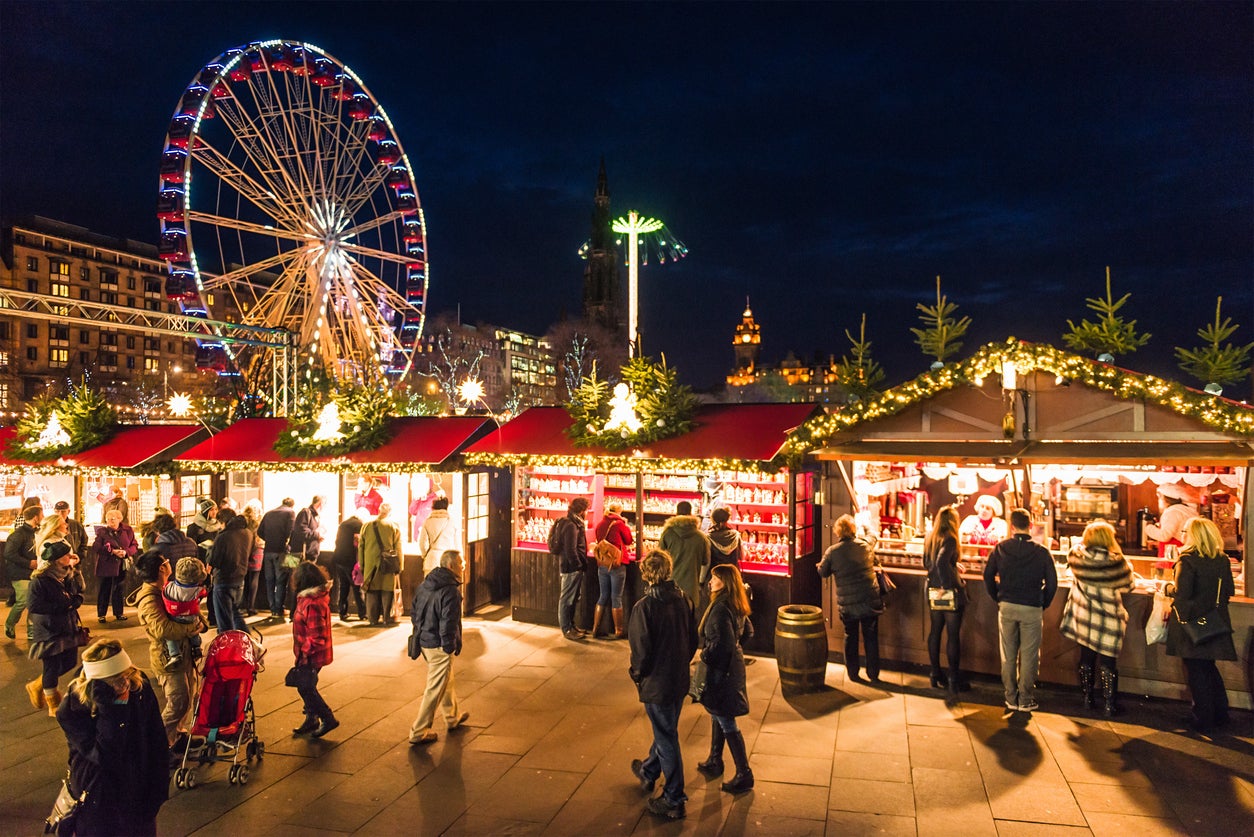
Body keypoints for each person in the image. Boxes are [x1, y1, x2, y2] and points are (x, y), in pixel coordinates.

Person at [56, 639, 169, 836]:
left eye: (126, 675)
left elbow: (156, 739)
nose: (124, 684)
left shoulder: (137, 687)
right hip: (98, 797)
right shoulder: (72, 710)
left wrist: (158, 790)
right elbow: (104, 755)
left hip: (138, 793)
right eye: (116, 680)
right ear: (97, 684)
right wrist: (110, 710)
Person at [628, 548, 698, 821]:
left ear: (646, 573)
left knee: (667, 737)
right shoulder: (684, 600)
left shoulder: (644, 607)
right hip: (678, 678)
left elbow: (641, 651)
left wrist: (637, 674)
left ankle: (674, 798)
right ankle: (648, 771)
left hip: (657, 681)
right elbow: (693, 640)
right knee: (666, 728)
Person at [129, 550, 207, 747]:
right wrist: (192, 629)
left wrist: (201, 624)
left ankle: (177, 736)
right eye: (167, 561)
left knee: (188, 699)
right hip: (168, 658)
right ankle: (158, 747)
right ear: (162, 567)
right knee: (177, 703)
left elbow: (191, 609)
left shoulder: (168, 588)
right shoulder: (149, 598)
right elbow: (162, 629)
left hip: (183, 652)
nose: (170, 564)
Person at [983, 508, 1058, 713]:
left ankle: (1010, 697)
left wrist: (997, 596)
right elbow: (1053, 583)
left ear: (1012, 526)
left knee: (1008, 654)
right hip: (1031, 607)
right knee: (1029, 655)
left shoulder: (1000, 548)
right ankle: (1025, 699)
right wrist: (1043, 602)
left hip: (1006, 605)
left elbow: (988, 576)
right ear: (1031, 526)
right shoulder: (1042, 552)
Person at [1166, 517, 1237, 733]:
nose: (1182, 534)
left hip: (1192, 625)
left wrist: (1168, 588)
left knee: (1196, 670)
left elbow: (1182, 595)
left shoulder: (1187, 560)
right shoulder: (1222, 559)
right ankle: (1220, 713)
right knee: (1209, 667)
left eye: (1185, 530)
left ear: (1194, 535)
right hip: (1214, 621)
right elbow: (1228, 591)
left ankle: (1203, 718)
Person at [1059, 520, 1134, 716]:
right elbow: (1129, 585)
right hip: (1109, 619)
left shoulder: (1076, 556)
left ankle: (1087, 698)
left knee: (1086, 658)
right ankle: (1109, 704)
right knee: (1108, 663)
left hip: (1085, 617)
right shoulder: (1117, 562)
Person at [695, 563, 754, 794]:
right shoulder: (736, 602)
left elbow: (723, 644)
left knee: (725, 718)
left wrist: (706, 654)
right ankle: (714, 758)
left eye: (715, 578)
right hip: (732, 665)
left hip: (722, 670)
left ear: (725, 582)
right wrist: (738, 649)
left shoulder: (720, 608)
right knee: (717, 712)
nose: (710, 582)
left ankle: (744, 773)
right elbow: (748, 632)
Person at [408, 549, 470, 745]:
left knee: (446, 680)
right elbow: (448, 623)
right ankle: (418, 731)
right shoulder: (450, 591)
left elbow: (414, 611)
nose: (464, 566)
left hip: (425, 640)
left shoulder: (426, 584)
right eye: (461, 563)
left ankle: (452, 717)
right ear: (451, 566)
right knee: (434, 688)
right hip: (438, 644)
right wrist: (449, 646)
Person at [817, 514, 883, 683]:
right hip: (869, 600)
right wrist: (865, 523)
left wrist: (820, 565)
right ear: (854, 530)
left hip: (848, 605)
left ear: (837, 532)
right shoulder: (865, 545)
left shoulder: (832, 552)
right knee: (871, 636)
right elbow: (874, 534)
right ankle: (873, 673)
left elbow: (823, 572)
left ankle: (853, 673)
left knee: (850, 636)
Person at [25, 541, 85, 716]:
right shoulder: (40, 580)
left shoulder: (67, 575)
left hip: (67, 626)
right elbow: (34, 606)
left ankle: (38, 684)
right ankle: (53, 704)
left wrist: (76, 598)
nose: (71, 557)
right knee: (51, 666)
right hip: (49, 629)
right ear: (57, 559)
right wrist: (63, 607)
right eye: (67, 555)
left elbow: (78, 592)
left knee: (69, 662)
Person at [290, 561, 339, 738]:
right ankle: (311, 718)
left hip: (311, 654)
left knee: (305, 687)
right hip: (309, 652)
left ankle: (327, 717)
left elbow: (317, 636)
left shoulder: (311, 603)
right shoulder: (309, 599)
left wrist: (304, 652)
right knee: (307, 684)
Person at [924, 505, 966, 693]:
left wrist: (953, 564)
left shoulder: (930, 536)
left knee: (935, 631)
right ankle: (953, 679)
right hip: (945, 591)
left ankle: (934, 673)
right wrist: (947, 585)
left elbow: (928, 562)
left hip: (931, 589)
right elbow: (941, 562)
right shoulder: (950, 538)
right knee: (953, 634)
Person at [592, 500, 634, 639]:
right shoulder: (620, 524)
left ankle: (595, 629)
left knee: (603, 595)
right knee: (616, 597)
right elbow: (628, 540)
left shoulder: (600, 524)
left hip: (603, 563)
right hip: (616, 564)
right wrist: (626, 526)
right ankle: (619, 631)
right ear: (618, 512)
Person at [658, 500, 710, 604]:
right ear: (691, 513)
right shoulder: (701, 537)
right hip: (691, 590)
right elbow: (705, 561)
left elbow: (659, 557)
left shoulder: (668, 534)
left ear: (676, 513)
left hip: (670, 586)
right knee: (689, 618)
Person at [552, 497, 590, 640]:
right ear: (581, 511)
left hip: (573, 567)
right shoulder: (571, 525)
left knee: (572, 598)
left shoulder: (573, 523)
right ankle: (567, 629)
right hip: (571, 568)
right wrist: (578, 565)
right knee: (567, 598)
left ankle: (571, 626)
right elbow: (570, 549)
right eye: (585, 510)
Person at [161, 557, 207, 671]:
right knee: (195, 629)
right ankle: (197, 647)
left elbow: (164, 592)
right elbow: (204, 594)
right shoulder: (198, 590)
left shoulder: (169, 587)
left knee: (170, 637)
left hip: (174, 617)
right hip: (191, 617)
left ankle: (175, 655)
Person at [361, 502, 403, 626]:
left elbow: (361, 547)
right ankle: (386, 618)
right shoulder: (393, 526)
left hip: (370, 565)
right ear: (389, 512)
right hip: (388, 564)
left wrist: (362, 564)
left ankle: (372, 619)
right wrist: (400, 565)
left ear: (379, 511)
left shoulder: (367, 525)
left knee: (372, 591)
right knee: (387, 591)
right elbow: (398, 547)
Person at [92, 508, 138, 624]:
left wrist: (126, 552)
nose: (110, 522)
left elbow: (134, 545)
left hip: (121, 564)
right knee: (104, 589)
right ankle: (101, 614)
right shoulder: (102, 532)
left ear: (119, 519)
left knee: (119, 588)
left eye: (112, 519)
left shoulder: (127, 530)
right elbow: (96, 547)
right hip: (106, 564)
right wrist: (112, 551)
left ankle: (119, 613)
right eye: (108, 520)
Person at [209, 513, 253, 632]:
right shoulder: (248, 533)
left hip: (223, 579)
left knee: (224, 619)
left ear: (225, 522)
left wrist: (209, 550)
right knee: (235, 613)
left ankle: (228, 646)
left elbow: (215, 560)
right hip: (240, 578)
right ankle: (247, 642)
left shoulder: (223, 536)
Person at [4, 505, 41, 640]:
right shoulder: (18, 534)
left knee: (35, 601)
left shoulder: (37, 532)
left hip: (35, 572)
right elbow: (9, 553)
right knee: (23, 601)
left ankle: (31, 630)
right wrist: (28, 563)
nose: (43, 518)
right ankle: (9, 624)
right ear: (36, 517)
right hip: (20, 573)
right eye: (41, 515)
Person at [258, 498, 297, 622]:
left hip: (268, 550)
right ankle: (279, 609)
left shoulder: (269, 513)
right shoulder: (290, 513)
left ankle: (272, 608)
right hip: (282, 551)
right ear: (292, 505)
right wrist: (284, 542)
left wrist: (270, 539)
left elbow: (259, 532)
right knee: (281, 581)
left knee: (270, 581)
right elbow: (291, 532)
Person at [332, 511, 366, 622]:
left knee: (343, 586)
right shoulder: (358, 525)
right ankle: (362, 612)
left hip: (338, 558)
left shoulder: (343, 524)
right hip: (350, 559)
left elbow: (337, 541)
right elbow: (358, 543)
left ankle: (342, 612)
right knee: (356, 586)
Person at [1144, 484, 1195, 557]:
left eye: (1160, 497)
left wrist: (1148, 528)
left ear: (1165, 499)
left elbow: (1164, 536)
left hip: (1174, 555)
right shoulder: (1185, 509)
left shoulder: (1172, 512)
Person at [418, 495, 460, 574]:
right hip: (448, 562)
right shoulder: (452, 522)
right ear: (446, 507)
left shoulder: (427, 522)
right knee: (446, 586)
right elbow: (457, 544)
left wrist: (425, 555)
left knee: (431, 586)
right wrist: (460, 561)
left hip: (431, 561)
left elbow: (422, 544)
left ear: (433, 508)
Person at [241, 500, 265, 616]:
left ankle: (241, 604)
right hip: (256, 551)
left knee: (243, 579)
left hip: (244, 552)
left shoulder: (242, 523)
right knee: (254, 579)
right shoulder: (257, 523)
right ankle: (251, 607)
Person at [291, 496, 325, 563]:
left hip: (310, 555)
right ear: (320, 504)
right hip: (303, 555)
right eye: (324, 504)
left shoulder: (315, 516)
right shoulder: (306, 512)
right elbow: (301, 531)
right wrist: (317, 535)